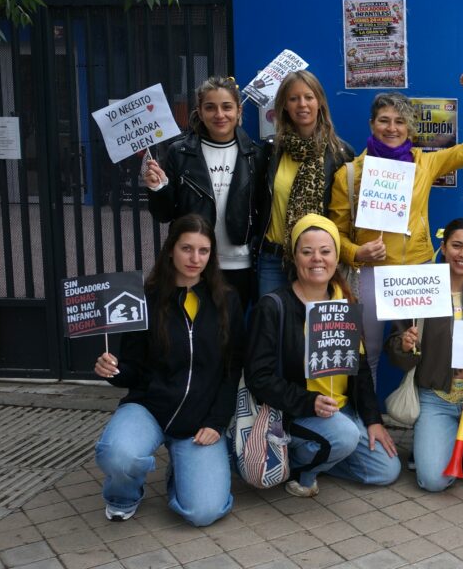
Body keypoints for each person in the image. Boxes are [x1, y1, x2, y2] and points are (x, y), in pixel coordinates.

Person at [332, 70, 463, 381]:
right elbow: (334, 233)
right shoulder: (349, 174)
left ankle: (421, 416)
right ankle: (370, 421)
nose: (392, 128)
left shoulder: (425, 163)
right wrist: (357, 252)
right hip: (371, 274)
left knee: (420, 347)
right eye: (384, 120)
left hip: (416, 271)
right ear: (371, 125)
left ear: (410, 128)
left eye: (400, 121)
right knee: (368, 352)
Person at [93, 214, 242, 526]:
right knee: (119, 455)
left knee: (203, 512)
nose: (195, 258)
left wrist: (218, 420)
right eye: (186, 248)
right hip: (149, 409)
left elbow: (232, 368)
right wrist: (114, 371)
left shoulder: (227, 300)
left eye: (203, 251)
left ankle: (182, 466)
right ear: (171, 250)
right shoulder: (144, 299)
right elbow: (132, 369)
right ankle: (123, 497)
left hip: (199, 421)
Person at [245, 214, 400, 497]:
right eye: (307, 251)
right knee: (344, 435)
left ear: (336, 256)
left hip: (342, 410)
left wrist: (373, 420)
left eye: (325, 251)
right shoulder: (273, 306)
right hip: (295, 411)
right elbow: (259, 377)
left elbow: (361, 368)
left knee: (384, 470)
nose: (317, 259)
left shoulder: (344, 300)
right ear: (294, 257)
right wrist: (309, 402)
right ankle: (303, 470)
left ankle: (319, 454)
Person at [385, 218, 463, 492]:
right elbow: (394, 353)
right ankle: (437, 444)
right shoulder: (419, 288)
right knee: (432, 481)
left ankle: (459, 448)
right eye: (456, 246)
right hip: (435, 398)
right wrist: (404, 345)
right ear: (443, 246)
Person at [144, 77, 264, 307]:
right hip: (192, 263)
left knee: (231, 337)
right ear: (199, 111)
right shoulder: (178, 153)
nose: (219, 114)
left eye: (227, 107)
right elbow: (164, 214)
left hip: (239, 265)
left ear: (239, 110)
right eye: (210, 107)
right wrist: (158, 188)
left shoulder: (256, 156)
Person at [254, 70, 356, 297]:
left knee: (314, 330)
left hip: (318, 261)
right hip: (273, 259)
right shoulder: (271, 151)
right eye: (293, 98)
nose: (302, 104)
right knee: (272, 327)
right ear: (284, 106)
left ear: (319, 102)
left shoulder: (341, 154)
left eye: (308, 97)